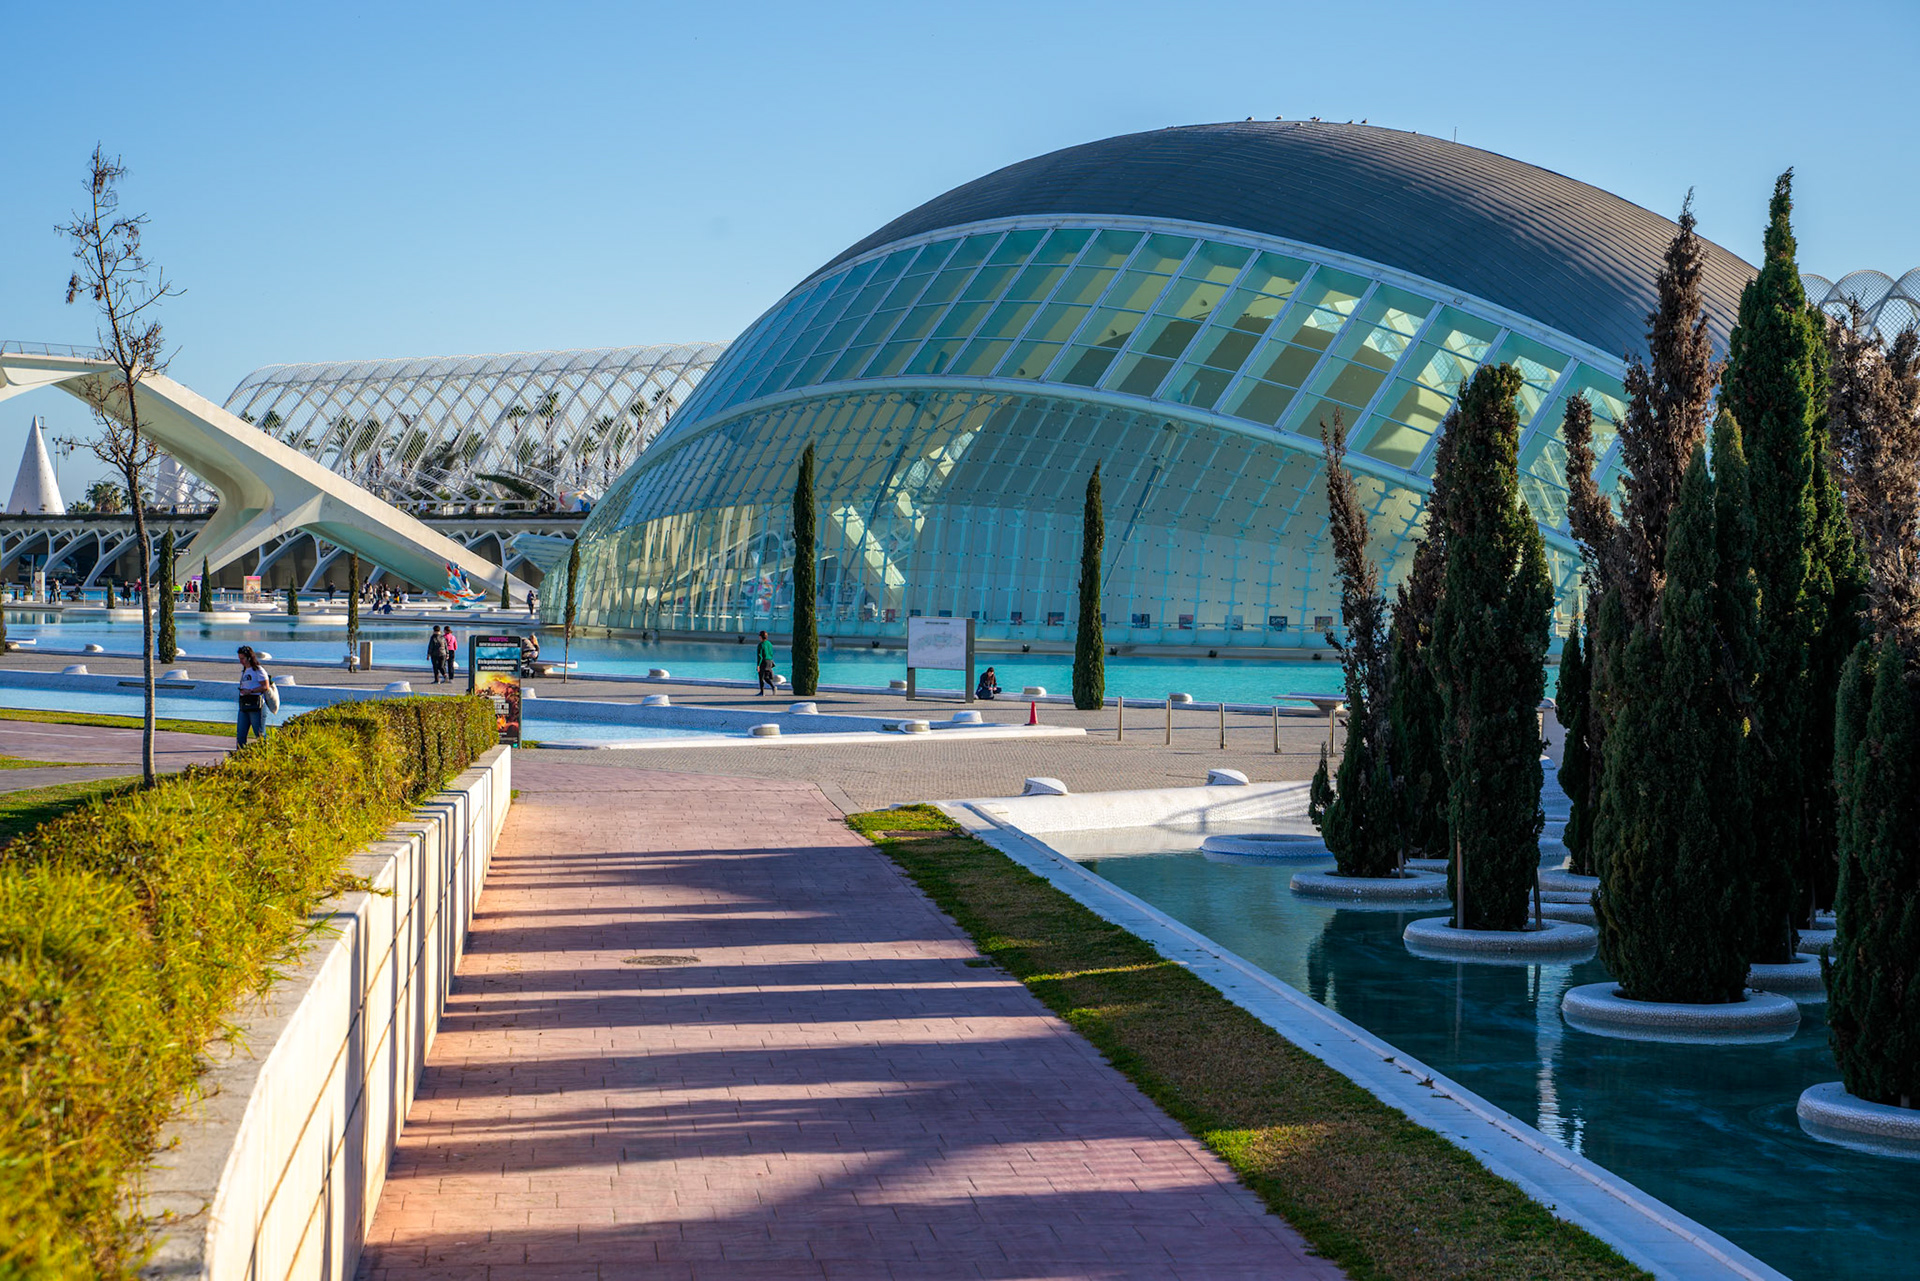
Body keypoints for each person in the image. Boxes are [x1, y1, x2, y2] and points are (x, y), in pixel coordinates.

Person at [236, 646, 271, 747]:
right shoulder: (244, 671)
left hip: (256, 704)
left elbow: (265, 686)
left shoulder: (258, 670)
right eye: (239, 659)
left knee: (259, 733)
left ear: (249, 657)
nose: (241, 661)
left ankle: (265, 753)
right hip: (244, 704)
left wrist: (250, 691)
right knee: (241, 734)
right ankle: (239, 756)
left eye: (242, 658)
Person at [755, 629, 777, 694]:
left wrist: (758, 665)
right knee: (766, 677)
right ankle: (773, 687)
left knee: (761, 677)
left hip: (763, 662)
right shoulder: (769, 644)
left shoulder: (761, 645)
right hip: (769, 661)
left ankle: (762, 692)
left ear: (761, 637)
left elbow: (760, 656)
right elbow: (771, 653)